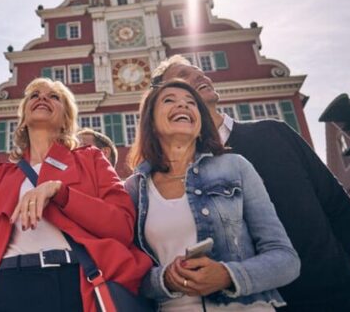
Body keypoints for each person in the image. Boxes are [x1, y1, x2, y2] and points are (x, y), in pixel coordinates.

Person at [153, 56, 350, 311]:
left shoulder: (275, 133)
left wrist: (331, 272)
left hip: (332, 298)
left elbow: (341, 212)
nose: (199, 75)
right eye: (184, 76)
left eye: (199, 71)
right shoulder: (181, 172)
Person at [0, 77, 152, 312]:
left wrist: (61, 192)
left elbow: (122, 226)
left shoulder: (91, 159)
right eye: (34, 95)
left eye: (53, 96)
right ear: (23, 119)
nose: (42, 97)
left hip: (71, 281)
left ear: (66, 119)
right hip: (8, 286)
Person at [125, 79, 300, 310]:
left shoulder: (236, 167)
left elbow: (286, 259)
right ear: (151, 123)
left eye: (191, 103)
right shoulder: (134, 188)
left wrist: (228, 275)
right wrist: (164, 279)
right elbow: (131, 274)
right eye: (169, 100)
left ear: (200, 124)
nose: (183, 105)